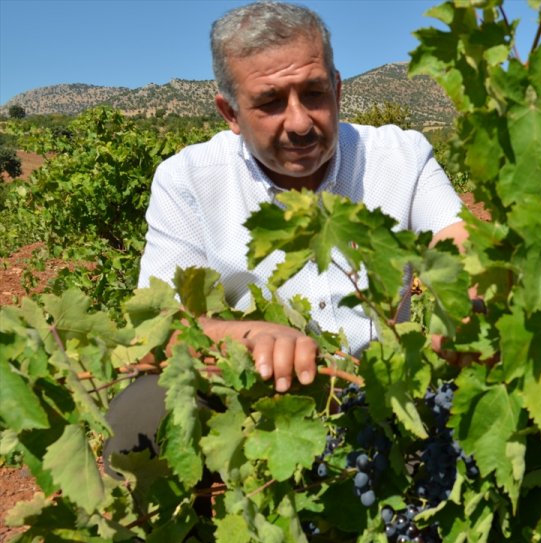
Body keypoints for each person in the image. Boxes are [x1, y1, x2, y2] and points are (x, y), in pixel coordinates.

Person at [137, 1, 468, 392]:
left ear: (338, 90)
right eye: (271, 102)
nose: (299, 122)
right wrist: (245, 337)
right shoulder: (188, 181)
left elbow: (458, 243)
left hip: (382, 396)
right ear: (230, 114)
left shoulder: (400, 156)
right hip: (257, 398)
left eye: (314, 93)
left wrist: (471, 304)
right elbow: (156, 329)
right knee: (139, 410)